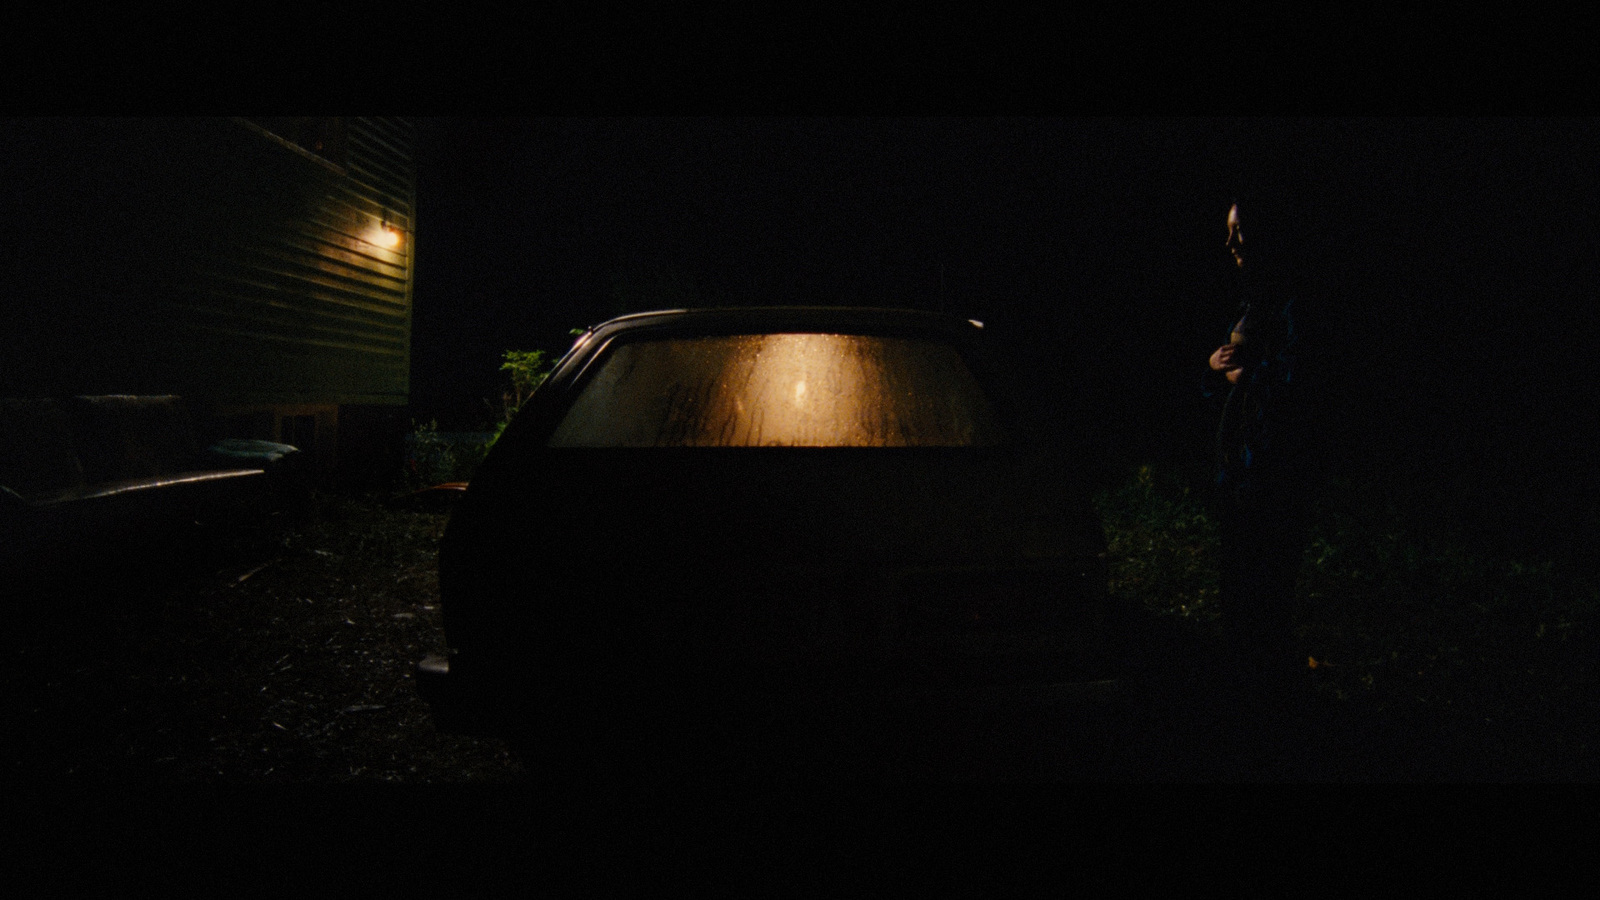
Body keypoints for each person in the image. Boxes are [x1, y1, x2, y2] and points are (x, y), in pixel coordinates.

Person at [1206, 200, 1312, 704]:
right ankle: (1243, 682)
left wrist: (1247, 374)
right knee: (1239, 578)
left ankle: (1269, 690)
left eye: (1239, 233)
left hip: (1273, 469)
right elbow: (1229, 375)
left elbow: (1302, 379)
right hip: (1241, 469)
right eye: (1229, 234)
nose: (1231, 245)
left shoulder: (1293, 303)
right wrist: (1216, 364)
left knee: (1264, 580)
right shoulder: (1256, 299)